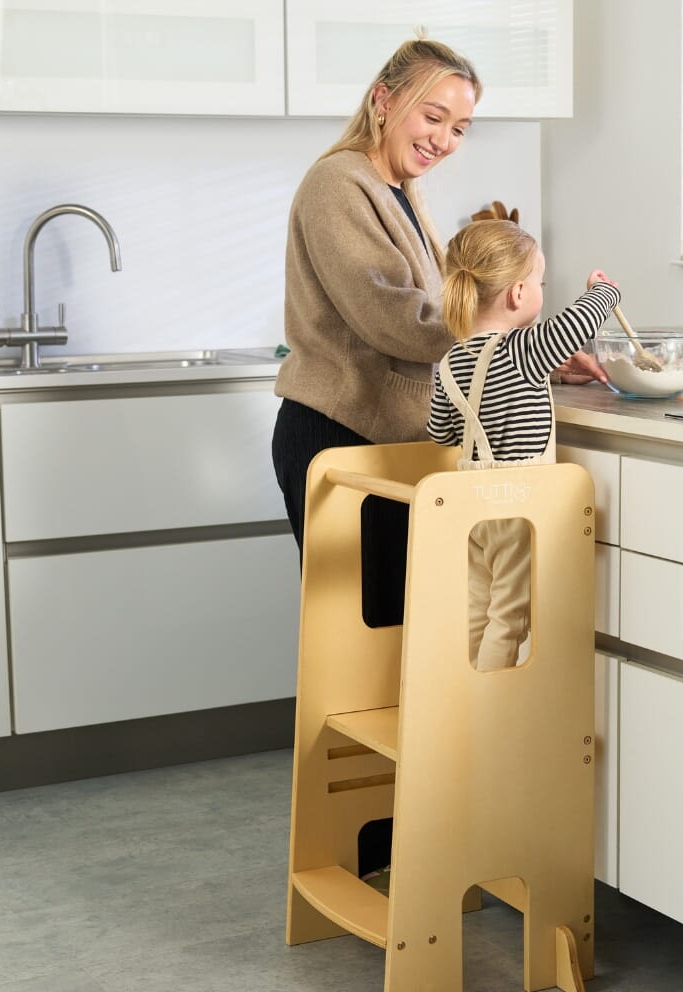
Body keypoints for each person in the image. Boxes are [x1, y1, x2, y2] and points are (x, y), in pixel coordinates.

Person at [271, 37, 604, 629]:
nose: (445, 140)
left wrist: (533, 359)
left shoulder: (398, 190)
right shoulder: (337, 184)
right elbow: (396, 318)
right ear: (383, 100)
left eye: (460, 127)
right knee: (367, 638)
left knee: (398, 634)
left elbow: (447, 320)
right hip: (339, 431)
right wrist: (520, 343)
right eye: (433, 117)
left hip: (381, 437)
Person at [427, 219, 620, 670]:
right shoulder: (522, 349)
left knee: (478, 608)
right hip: (516, 507)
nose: (541, 291)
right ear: (517, 294)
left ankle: (464, 701)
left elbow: (440, 432)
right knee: (510, 617)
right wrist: (604, 291)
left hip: (471, 509)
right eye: (539, 281)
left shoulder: (451, 359)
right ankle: (492, 716)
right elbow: (578, 323)